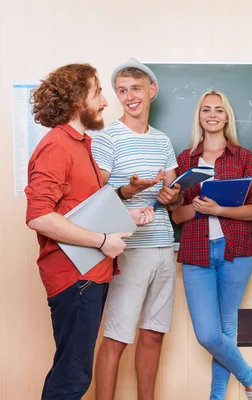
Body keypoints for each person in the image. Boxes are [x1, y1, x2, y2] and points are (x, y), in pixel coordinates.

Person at [25, 63, 153, 400]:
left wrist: (127, 213)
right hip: (74, 277)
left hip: (90, 275)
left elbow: (82, 208)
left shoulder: (81, 144)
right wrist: (102, 241)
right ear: (78, 99)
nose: (104, 102)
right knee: (73, 378)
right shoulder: (57, 146)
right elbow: (39, 216)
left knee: (71, 371)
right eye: (97, 93)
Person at [91, 58, 182, 400]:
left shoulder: (162, 141)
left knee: (153, 334)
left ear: (151, 91)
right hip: (129, 249)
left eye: (136, 89)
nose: (129, 96)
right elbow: (93, 199)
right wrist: (128, 191)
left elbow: (174, 199)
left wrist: (172, 196)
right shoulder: (106, 138)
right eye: (122, 90)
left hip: (163, 247)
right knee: (116, 336)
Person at [170, 90, 252, 400]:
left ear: (227, 117)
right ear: (199, 116)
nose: (212, 115)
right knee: (209, 335)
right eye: (206, 109)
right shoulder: (184, 159)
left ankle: (217, 397)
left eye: (219, 110)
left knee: (226, 332)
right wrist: (198, 207)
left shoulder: (243, 157)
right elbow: (177, 216)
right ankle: (251, 378)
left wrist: (219, 210)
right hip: (196, 253)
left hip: (235, 251)